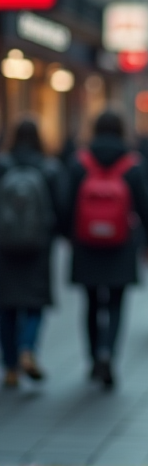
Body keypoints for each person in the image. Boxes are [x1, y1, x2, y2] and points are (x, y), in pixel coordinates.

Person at [66, 110, 148, 389]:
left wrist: (68, 235)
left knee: (91, 302)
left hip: (86, 244)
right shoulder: (133, 164)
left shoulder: (79, 163)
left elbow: (65, 203)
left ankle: (94, 357)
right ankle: (109, 353)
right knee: (117, 302)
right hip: (122, 244)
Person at [0, 118, 65, 388]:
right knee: (35, 301)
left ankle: (11, 367)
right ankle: (28, 347)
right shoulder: (49, 167)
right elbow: (62, 206)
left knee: (6, 305)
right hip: (39, 245)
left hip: (4, 246)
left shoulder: (3, 165)